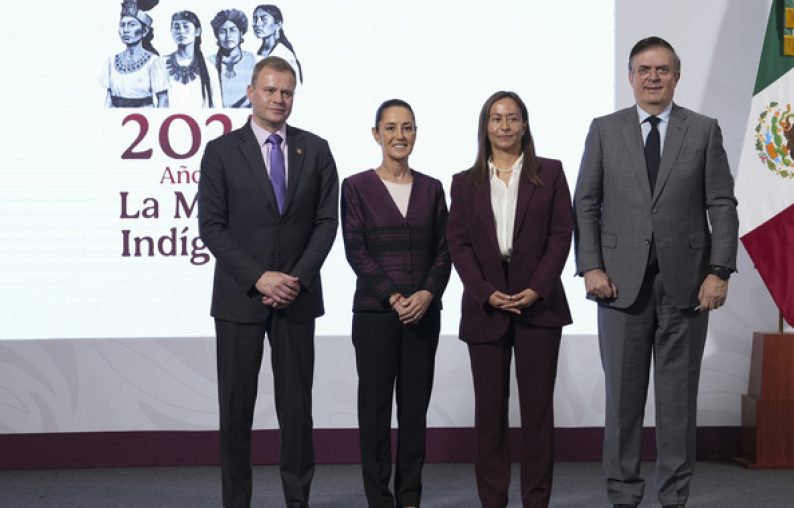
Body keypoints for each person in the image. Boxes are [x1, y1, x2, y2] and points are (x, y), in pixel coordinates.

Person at [573, 36, 738, 508]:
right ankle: (623, 495)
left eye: (662, 69)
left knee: (677, 404)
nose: (652, 77)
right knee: (622, 404)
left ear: (676, 76)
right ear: (630, 77)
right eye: (643, 69)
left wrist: (719, 270)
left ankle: (673, 498)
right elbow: (585, 203)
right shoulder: (604, 130)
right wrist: (590, 267)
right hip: (618, 287)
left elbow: (721, 204)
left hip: (687, 287)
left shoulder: (703, 130)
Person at [198, 56, 338, 508]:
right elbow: (212, 226)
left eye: (288, 92)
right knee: (236, 412)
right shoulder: (220, 152)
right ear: (251, 93)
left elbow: (325, 222)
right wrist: (260, 278)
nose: (280, 99)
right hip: (240, 300)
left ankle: (298, 499)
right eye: (272, 90)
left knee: (297, 412)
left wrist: (292, 279)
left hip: (296, 298)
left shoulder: (315, 150)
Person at [447, 91, 573, 508]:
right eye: (496, 118)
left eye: (512, 118)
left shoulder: (550, 174)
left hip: (539, 306)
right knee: (490, 418)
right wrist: (486, 292)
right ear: (485, 126)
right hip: (486, 308)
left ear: (524, 126)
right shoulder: (464, 183)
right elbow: (459, 245)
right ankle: (493, 501)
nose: (504, 126)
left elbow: (560, 236)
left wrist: (537, 287)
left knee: (537, 414)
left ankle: (536, 500)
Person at [341, 99, 451, 508]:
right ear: (376, 134)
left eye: (407, 128)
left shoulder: (432, 188)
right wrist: (393, 295)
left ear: (416, 134)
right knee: (374, 412)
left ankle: (409, 497)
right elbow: (356, 249)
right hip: (374, 314)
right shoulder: (355, 187)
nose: (399, 136)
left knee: (414, 412)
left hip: (424, 314)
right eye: (390, 128)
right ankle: (379, 498)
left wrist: (425, 294)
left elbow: (445, 250)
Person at [101, 0, 168, 107]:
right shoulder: (111, 61)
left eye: (132, 25)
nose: (126, 30)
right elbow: (109, 98)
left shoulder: (154, 62)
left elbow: (163, 100)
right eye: (122, 25)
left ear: (145, 31)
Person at [164, 11, 222, 108]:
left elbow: (217, 108)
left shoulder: (209, 69)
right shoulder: (161, 64)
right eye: (176, 27)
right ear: (171, 31)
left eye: (186, 27)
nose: (181, 31)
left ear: (197, 31)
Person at [209, 9, 257, 108]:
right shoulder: (209, 62)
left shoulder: (252, 60)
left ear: (241, 32)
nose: (228, 36)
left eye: (232, 30)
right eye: (222, 31)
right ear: (217, 35)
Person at [252, 4, 303, 84]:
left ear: (278, 25)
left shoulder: (283, 54)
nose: (257, 24)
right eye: (255, 19)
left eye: (264, 19)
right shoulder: (254, 54)